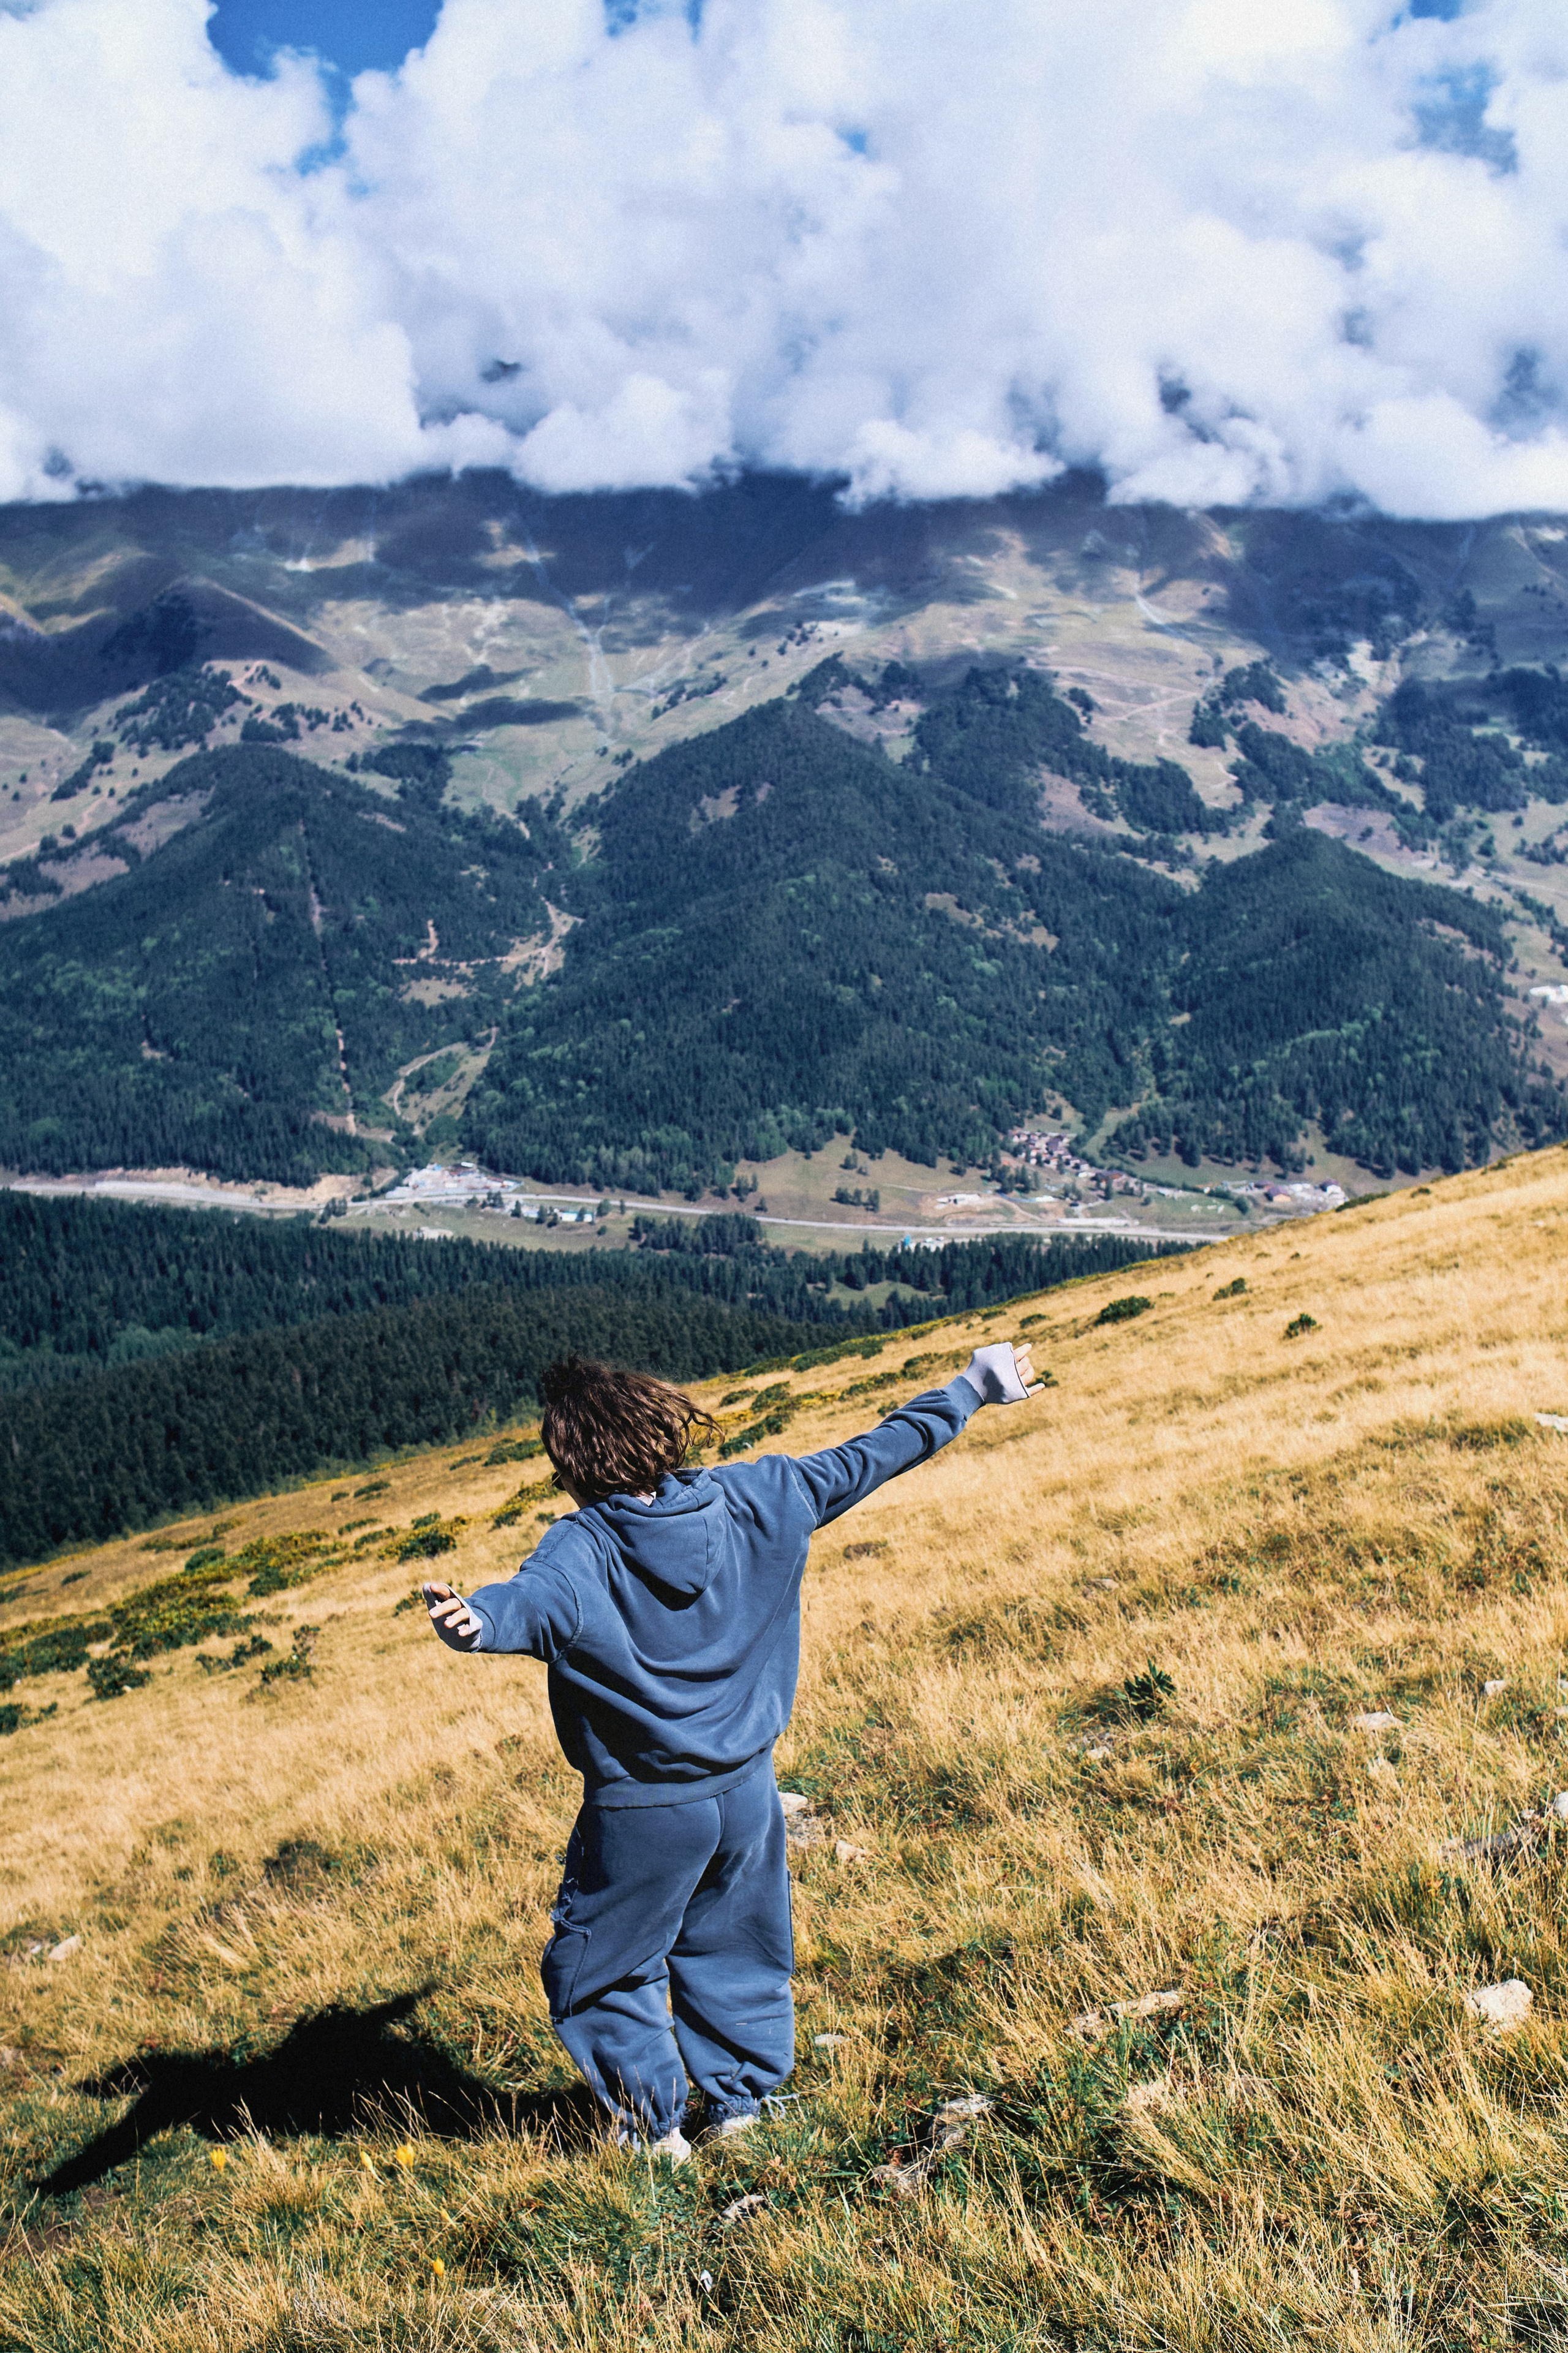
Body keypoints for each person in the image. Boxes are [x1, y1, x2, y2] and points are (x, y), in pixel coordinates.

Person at [424, 1337, 1041, 2164]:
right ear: (659, 1431)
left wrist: (478, 1623)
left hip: (644, 1809)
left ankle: (654, 2135)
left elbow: (530, 1605)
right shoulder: (763, 1493)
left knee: (603, 1966)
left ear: (573, 1466)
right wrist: (973, 1386)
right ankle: (742, 2107)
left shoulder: (582, 1547)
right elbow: (875, 1453)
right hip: (749, 1794)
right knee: (734, 1946)